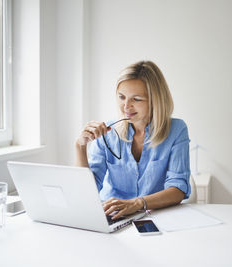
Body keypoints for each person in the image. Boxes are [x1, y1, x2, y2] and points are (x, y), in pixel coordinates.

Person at [75, 60, 190, 220]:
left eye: (136, 99)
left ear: (155, 100)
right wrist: (80, 146)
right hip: (112, 216)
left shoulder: (177, 130)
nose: (126, 106)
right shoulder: (107, 132)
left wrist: (137, 203)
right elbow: (87, 192)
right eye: (122, 97)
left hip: (155, 216)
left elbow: (178, 189)